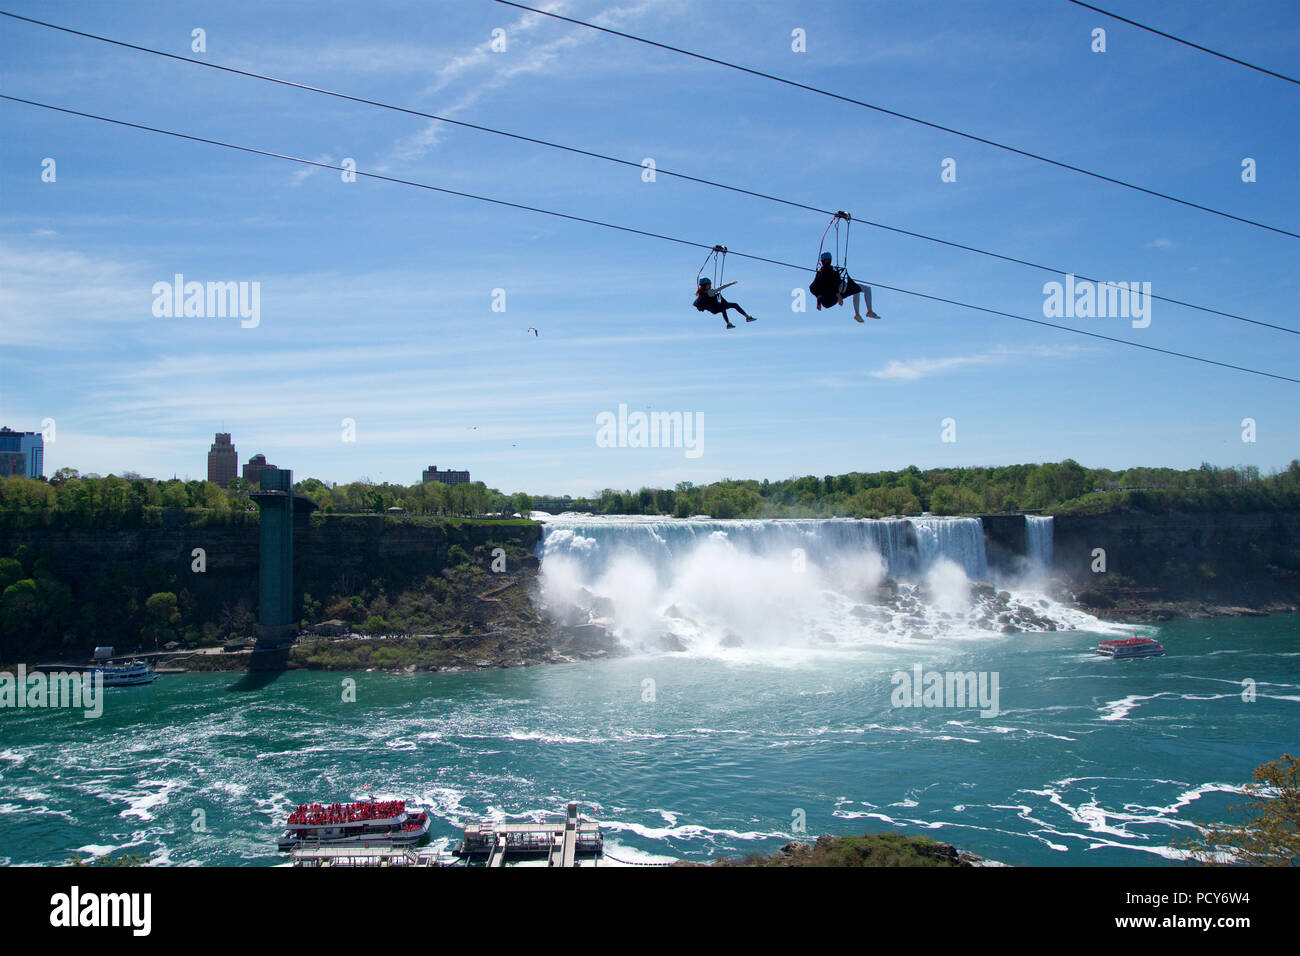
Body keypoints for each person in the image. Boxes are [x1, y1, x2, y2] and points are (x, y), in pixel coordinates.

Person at [810, 251, 878, 322]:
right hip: (838, 292)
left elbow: (813, 288)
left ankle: (857, 314)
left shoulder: (819, 273)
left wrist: (818, 301)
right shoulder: (830, 270)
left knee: (855, 290)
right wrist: (838, 295)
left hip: (827, 301)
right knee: (867, 288)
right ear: (829, 260)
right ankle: (869, 311)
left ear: (822, 261)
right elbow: (834, 283)